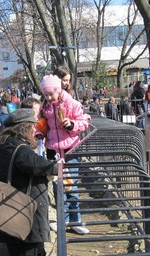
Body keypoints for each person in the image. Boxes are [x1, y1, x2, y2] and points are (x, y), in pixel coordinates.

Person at [0, 108, 60, 256]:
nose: (35, 129)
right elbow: (38, 165)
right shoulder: (19, 148)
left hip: (7, 209)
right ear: (25, 127)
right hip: (22, 212)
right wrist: (58, 165)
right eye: (33, 126)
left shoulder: (5, 144)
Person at [40, 74, 90, 235]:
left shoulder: (72, 104)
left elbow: (84, 121)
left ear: (58, 90)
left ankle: (75, 219)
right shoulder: (45, 106)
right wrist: (39, 133)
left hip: (70, 150)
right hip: (53, 151)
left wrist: (72, 125)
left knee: (71, 185)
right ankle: (64, 219)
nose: (48, 97)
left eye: (50, 94)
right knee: (57, 187)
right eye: (45, 94)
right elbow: (41, 124)